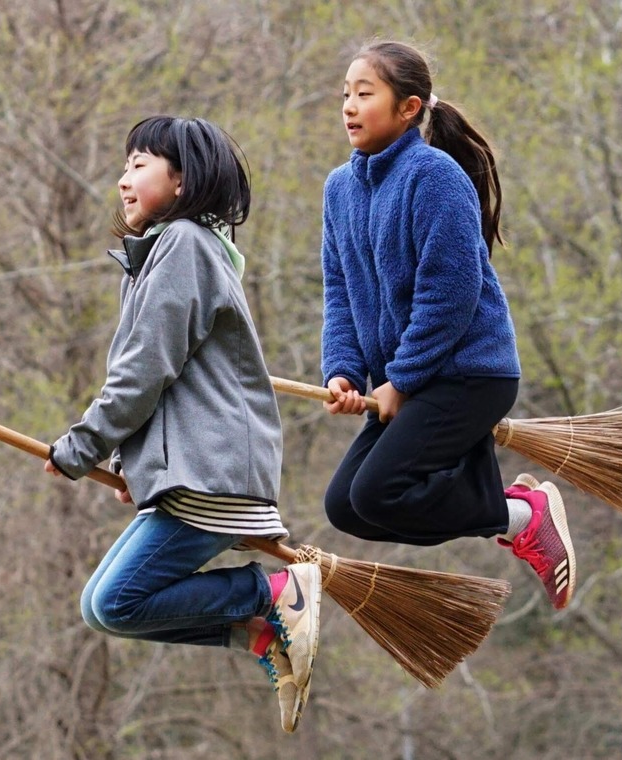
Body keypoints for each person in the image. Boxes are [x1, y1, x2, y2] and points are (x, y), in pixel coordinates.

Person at [44, 116, 321, 732]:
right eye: (124, 165)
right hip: (189, 469)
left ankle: (270, 596)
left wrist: (86, 445)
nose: (122, 180)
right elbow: (170, 383)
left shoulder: (184, 245)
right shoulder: (161, 254)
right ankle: (257, 632)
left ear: (183, 180)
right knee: (99, 607)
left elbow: (147, 368)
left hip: (213, 471)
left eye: (139, 164)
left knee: (118, 602)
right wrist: (126, 466)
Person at [319, 41, 577, 610]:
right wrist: (343, 371)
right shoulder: (339, 189)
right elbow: (338, 290)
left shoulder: (434, 176)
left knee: (379, 493)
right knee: (345, 506)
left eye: (365, 94)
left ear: (409, 108)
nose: (349, 106)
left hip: (468, 375)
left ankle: (517, 516)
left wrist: (401, 381)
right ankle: (502, 501)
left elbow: (451, 297)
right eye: (345, 94)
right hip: (413, 378)